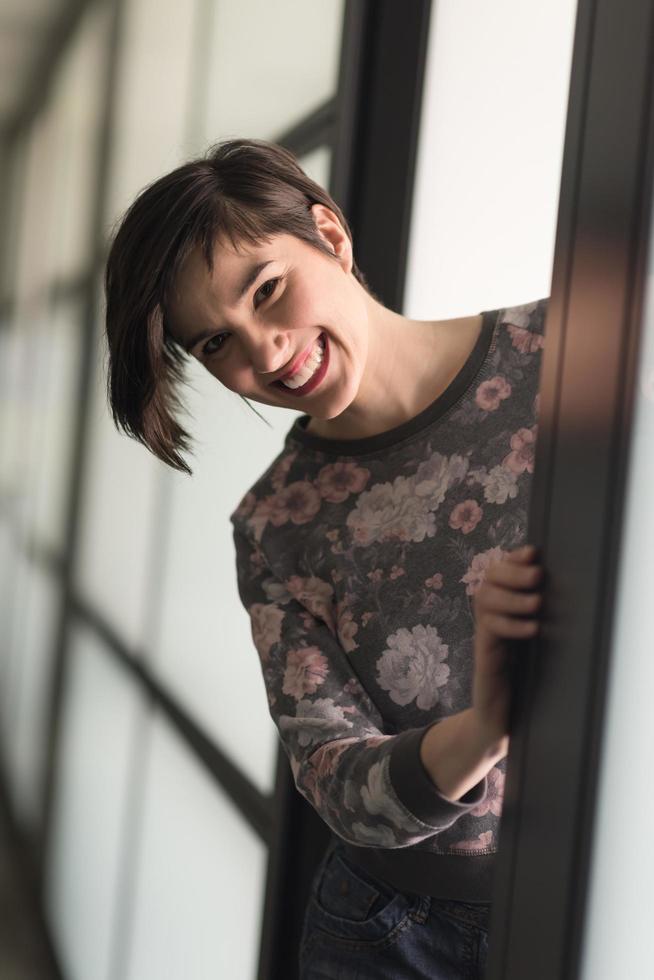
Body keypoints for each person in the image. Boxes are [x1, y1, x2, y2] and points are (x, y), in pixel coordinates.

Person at [104, 137, 546, 979]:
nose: (265, 354)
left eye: (267, 289)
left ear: (330, 236)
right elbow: (337, 781)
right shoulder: (275, 525)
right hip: (400, 939)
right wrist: (488, 725)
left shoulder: (568, 350)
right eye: (216, 346)